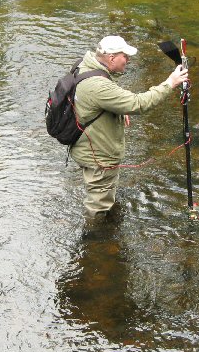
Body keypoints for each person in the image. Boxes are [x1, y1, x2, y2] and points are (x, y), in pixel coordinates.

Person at [70, 35, 188, 218]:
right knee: (98, 208)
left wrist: (117, 107)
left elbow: (94, 98)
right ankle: (96, 242)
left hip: (85, 146)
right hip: (98, 158)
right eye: (124, 56)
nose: (128, 60)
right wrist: (170, 83)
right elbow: (138, 103)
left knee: (103, 196)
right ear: (111, 58)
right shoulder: (99, 86)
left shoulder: (85, 66)